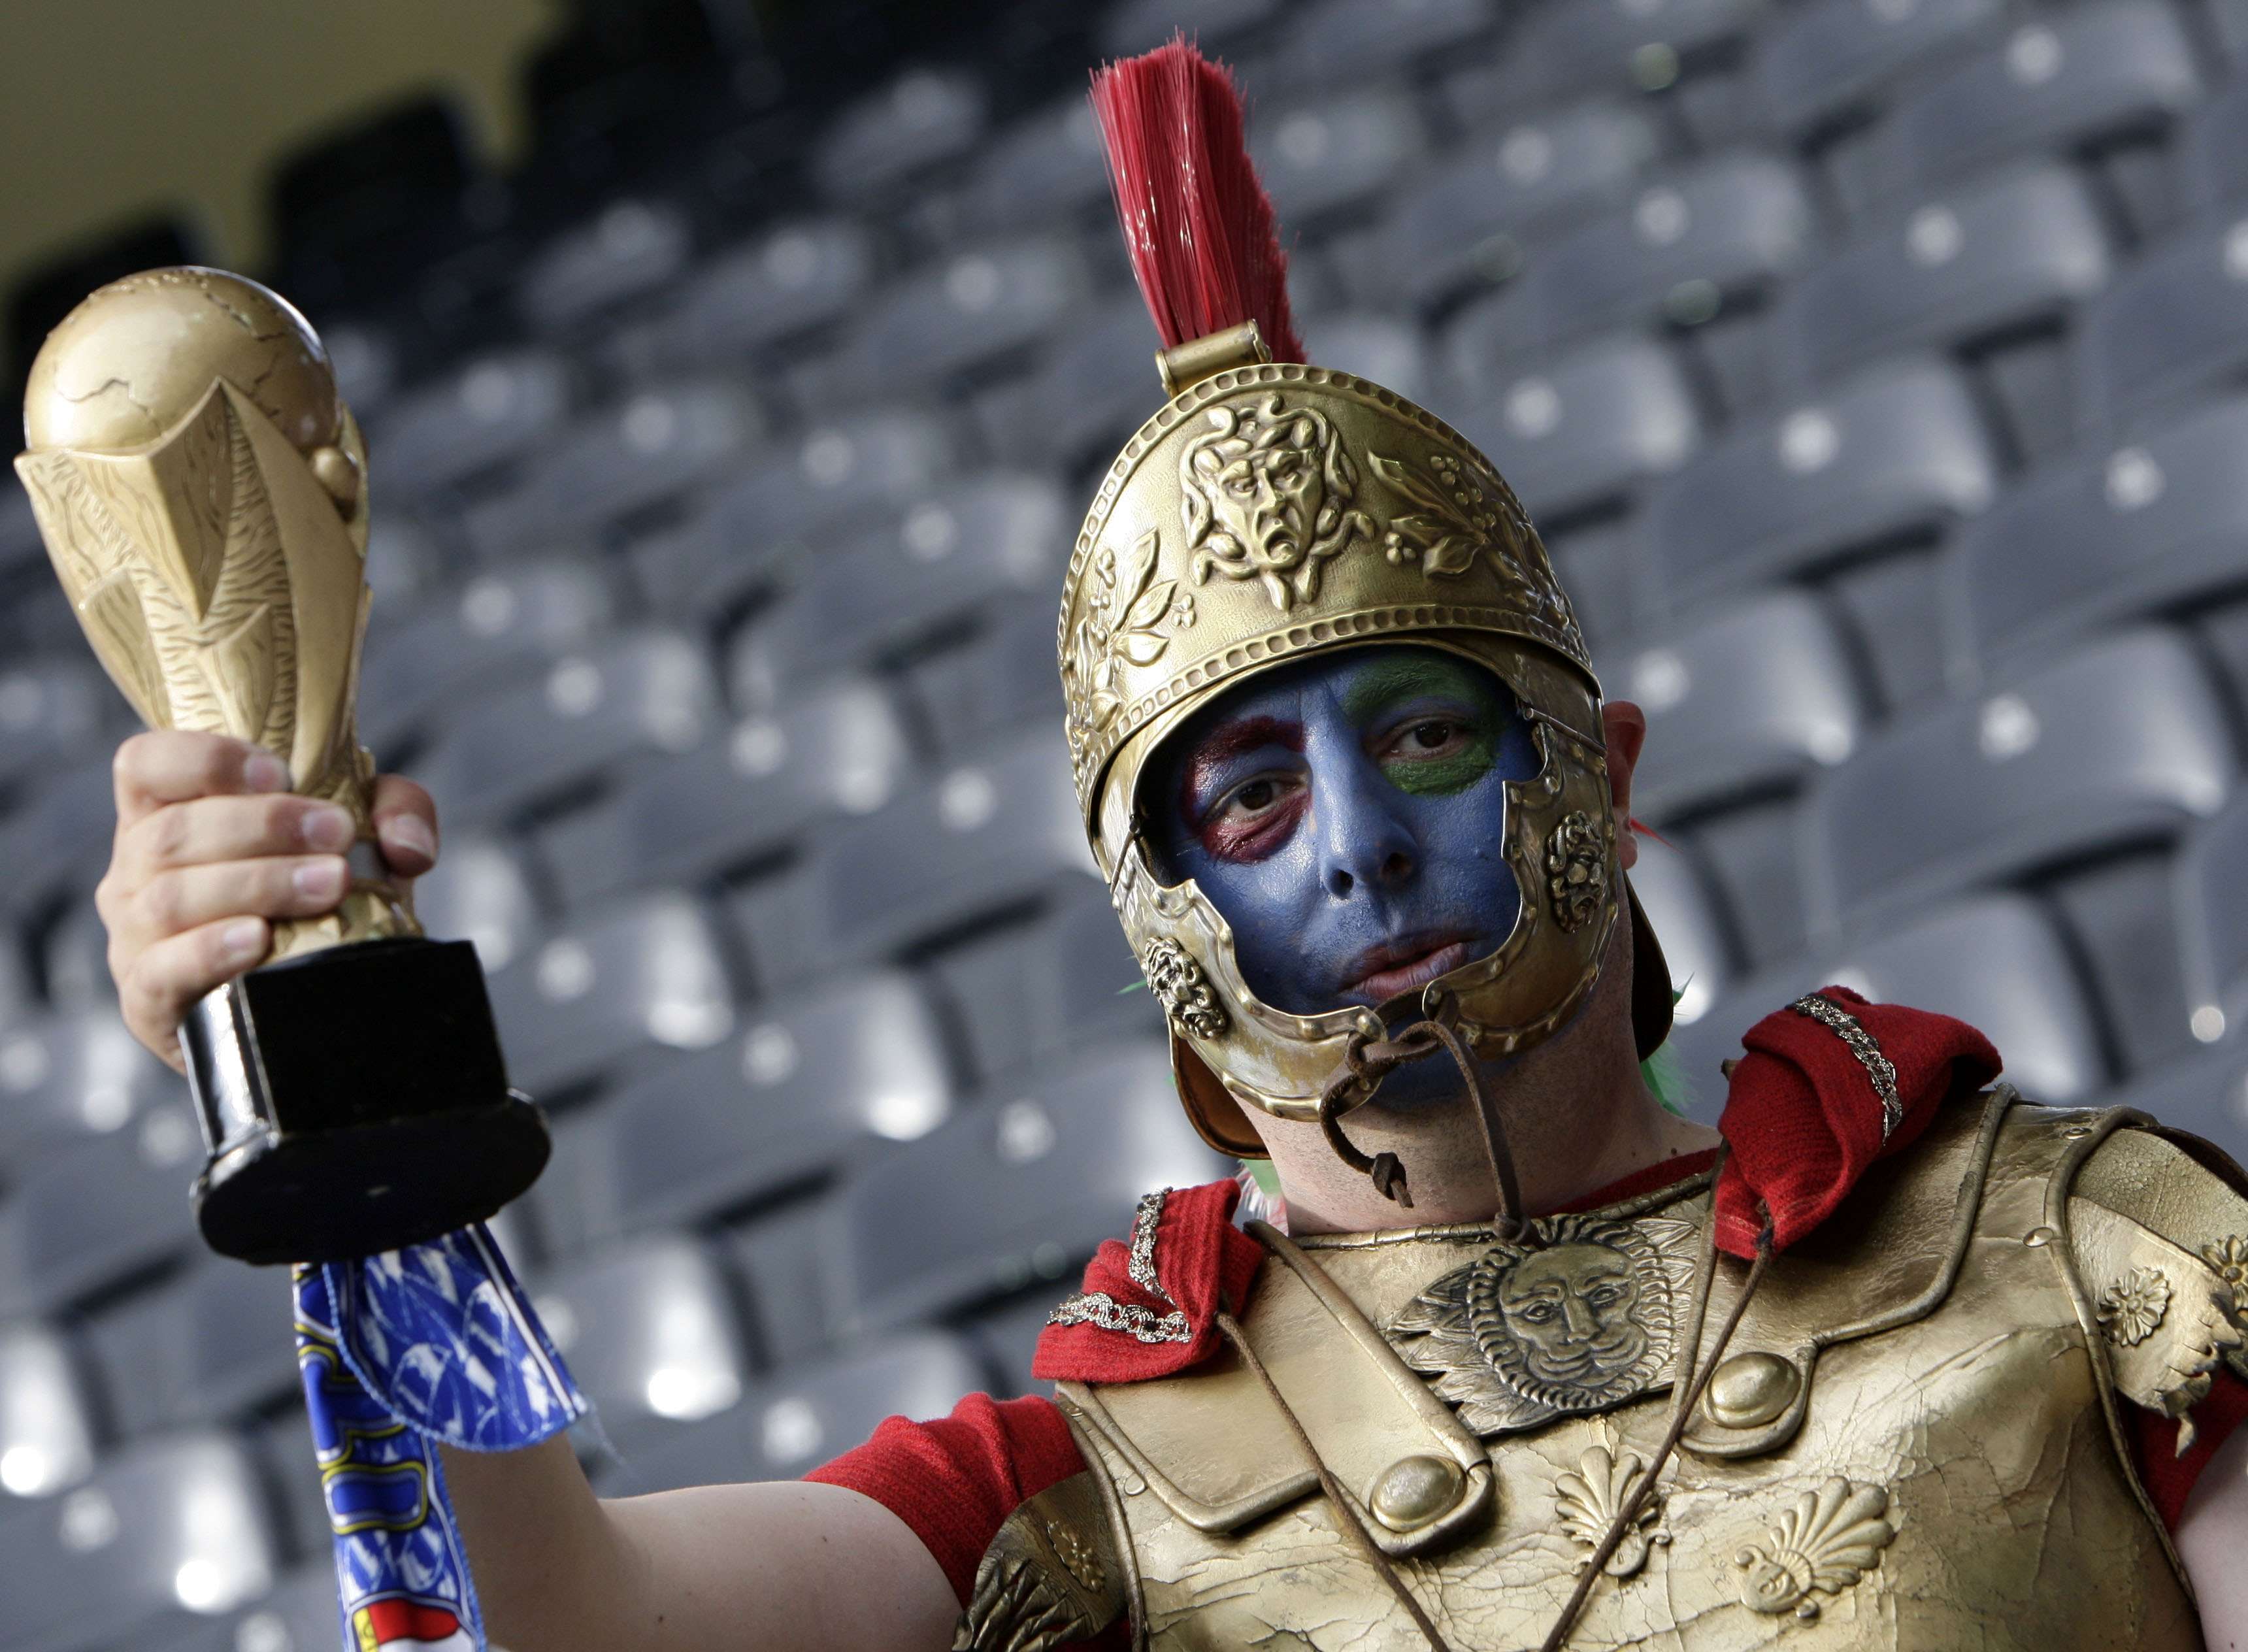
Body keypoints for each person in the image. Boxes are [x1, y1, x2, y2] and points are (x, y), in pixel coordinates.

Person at [86, 40, 2248, 1652]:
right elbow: (569, 1626)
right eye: (1252, 801)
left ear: (1602, 765)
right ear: (1162, 917)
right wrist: (338, 1049)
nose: (1371, 855)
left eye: (1425, 734)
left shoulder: (2068, 1255)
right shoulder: (1090, 1492)